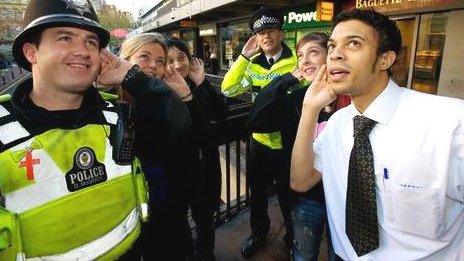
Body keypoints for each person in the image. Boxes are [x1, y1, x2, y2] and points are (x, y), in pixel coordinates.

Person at [0, 0, 190, 260]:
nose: (82, 50)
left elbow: (180, 126)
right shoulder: (3, 130)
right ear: (31, 52)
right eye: (65, 38)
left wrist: (133, 77)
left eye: (91, 42)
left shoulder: (118, 116)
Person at [291, 9, 464, 260]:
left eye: (353, 43)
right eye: (332, 46)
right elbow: (301, 180)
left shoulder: (450, 122)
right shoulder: (338, 123)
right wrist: (310, 108)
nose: (336, 54)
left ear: (385, 59)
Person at [248, 32, 349, 261]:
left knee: (340, 255)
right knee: (303, 254)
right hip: (306, 199)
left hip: (342, 197)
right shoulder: (296, 99)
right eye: (300, 55)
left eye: (313, 52)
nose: (304, 61)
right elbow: (255, 119)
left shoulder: (350, 97)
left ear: (330, 57)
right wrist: (288, 79)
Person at [221, 6, 297, 258]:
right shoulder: (252, 65)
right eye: (261, 33)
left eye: (272, 31)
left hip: (289, 143)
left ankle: (293, 236)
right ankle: (258, 234)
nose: (267, 37)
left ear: (281, 33)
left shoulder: (296, 60)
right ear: (256, 37)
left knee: (289, 196)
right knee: (258, 197)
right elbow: (228, 89)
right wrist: (243, 58)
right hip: (260, 144)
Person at [118, 33, 193, 260]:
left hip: (165, 211)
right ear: (125, 59)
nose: (153, 66)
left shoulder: (164, 102)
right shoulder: (104, 102)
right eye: (144, 57)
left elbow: (188, 134)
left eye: (160, 61)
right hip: (121, 218)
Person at [166, 37, 228, 261]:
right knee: (178, 221)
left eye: (181, 58)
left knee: (205, 220)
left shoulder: (196, 84)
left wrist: (202, 82)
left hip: (205, 169)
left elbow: (221, 114)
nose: (176, 65)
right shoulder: (159, 91)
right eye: (169, 60)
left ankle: (206, 253)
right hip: (175, 174)